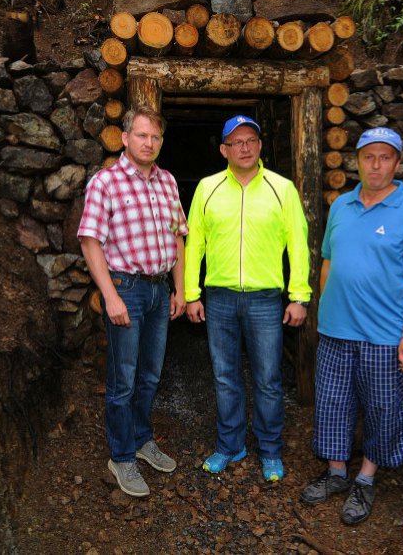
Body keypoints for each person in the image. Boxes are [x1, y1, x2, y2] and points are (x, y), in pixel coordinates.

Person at [300, 127, 403, 524]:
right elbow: (327, 260)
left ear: (396, 162)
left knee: (383, 408)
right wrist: (325, 309)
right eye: (369, 157)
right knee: (332, 404)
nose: (376, 165)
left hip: (385, 335)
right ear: (356, 161)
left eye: (385, 157)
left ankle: (366, 478)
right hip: (336, 330)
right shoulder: (341, 206)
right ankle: (337, 473)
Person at [184, 115, 312, 482]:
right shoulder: (207, 188)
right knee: (225, 377)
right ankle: (230, 445)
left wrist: (298, 296)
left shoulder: (282, 188)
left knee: (268, 378)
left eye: (251, 140)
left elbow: (297, 244)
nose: (244, 147)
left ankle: (270, 450)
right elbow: (195, 245)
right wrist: (192, 294)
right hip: (220, 297)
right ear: (224, 149)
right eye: (236, 142)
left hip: (265, 299)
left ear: (260, 146)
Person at [78, 106, 188, 498]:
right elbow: (90, 240)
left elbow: (178, 237)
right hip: (125, 287)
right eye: (141, 135)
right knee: (123, 380)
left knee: (151, 375)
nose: (149, 143)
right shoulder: (105, 183)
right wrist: (110, 296)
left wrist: (180, 289)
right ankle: (121, 455)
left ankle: (142, 440)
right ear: (125, 138)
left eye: (155, 137)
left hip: (159, 290)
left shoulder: (168, 182)